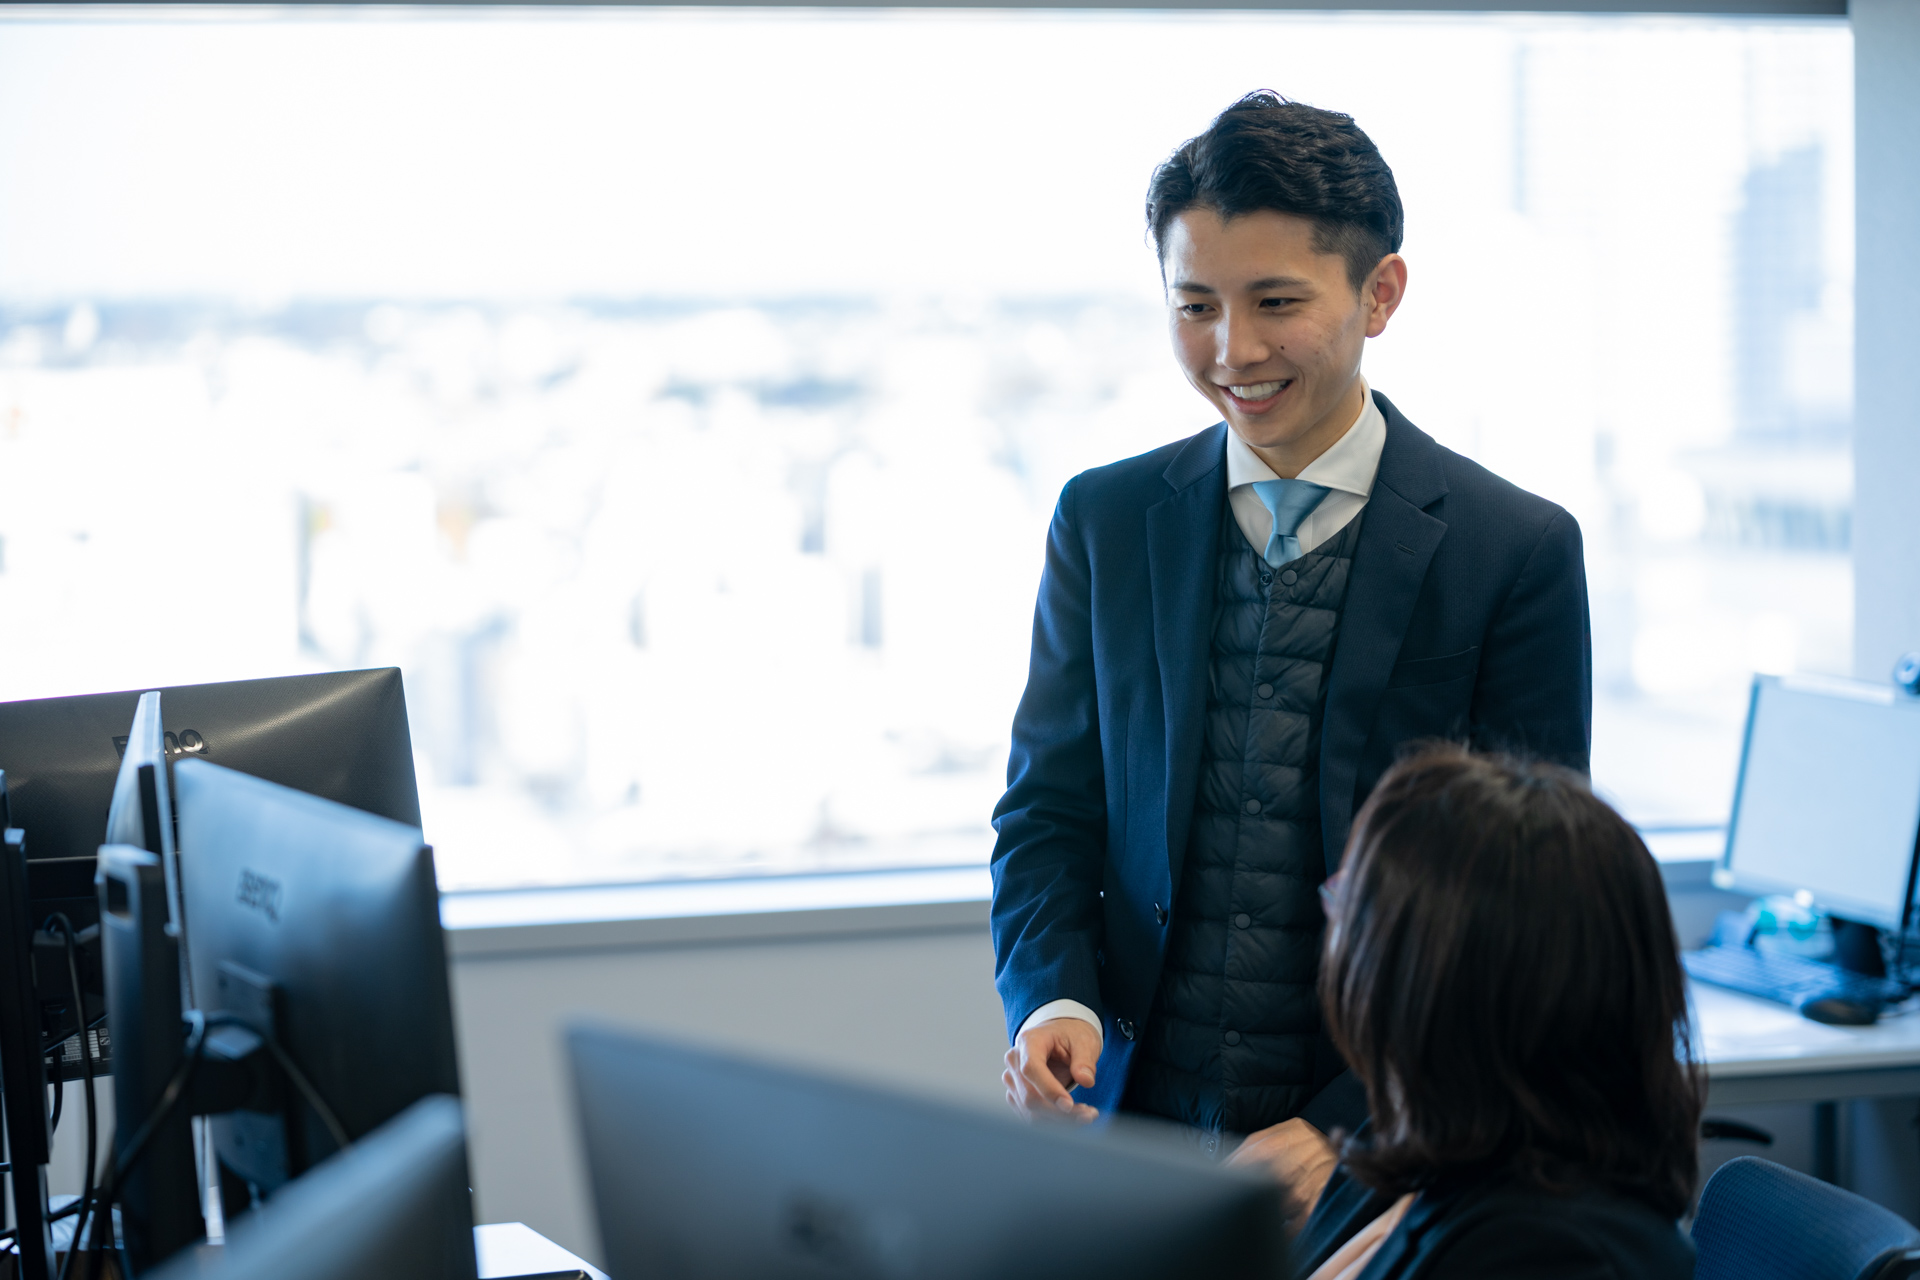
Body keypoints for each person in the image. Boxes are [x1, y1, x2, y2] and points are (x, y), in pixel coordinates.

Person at [994, 90, 1592, 1155]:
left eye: (1276, 301)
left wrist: (1342, 1127)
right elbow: (1048, 814)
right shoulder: (1106, 520)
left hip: (1395, 1145)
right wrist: (1055, 1001)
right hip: (1136, 1136)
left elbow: (1526, 914)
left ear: (1381, 293)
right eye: (1195, 306)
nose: (1233, 349)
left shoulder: (1515, 549)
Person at [1270, 745, 1700, 1278]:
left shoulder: (1551, 1256)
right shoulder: (1401, 1148)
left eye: (1351, 910)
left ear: (1437, 991)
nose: (1334, 935)